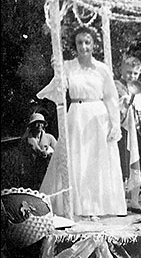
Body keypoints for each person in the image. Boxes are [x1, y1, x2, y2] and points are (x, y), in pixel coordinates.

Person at [38, 25, 126, 219]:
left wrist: (115, 124)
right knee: (78, 160)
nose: (84, 46)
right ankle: (78, 206)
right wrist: (57, 71)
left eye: (87, 42)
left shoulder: (102, 69)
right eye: (80, 43)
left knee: (96, 161)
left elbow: (111, 98)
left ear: (93, 44)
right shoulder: (68, 66)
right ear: (75, 45)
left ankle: (96, 206)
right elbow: (58, 93)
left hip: (97, 117)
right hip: (77, 116)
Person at [115, 55, 141, 214]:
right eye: (128, 72)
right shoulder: (116, 86)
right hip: (123, 131)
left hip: (137, 132)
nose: (132, 76)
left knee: (136, 166)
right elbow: (114, 110)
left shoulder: (139, 90)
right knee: (123, 165)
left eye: (135, 73)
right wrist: (124, 106)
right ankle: (120, 200)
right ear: (121, 70)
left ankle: (134, 200)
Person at [21, 111, 57, 190]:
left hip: (46, 171)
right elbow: (22, 156)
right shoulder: (27, 140)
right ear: (31, 125)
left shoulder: (49, 138)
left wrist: (49, 154)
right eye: (36, 123)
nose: (39, 126)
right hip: (31, 172)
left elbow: (58, 152)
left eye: (41, 123)